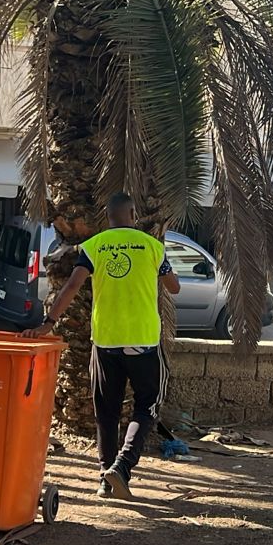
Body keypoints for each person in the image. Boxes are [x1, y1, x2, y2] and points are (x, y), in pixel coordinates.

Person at [23, 193, 179, 499]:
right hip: (143, 341)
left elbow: (72, 286)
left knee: (106, 412)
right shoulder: (152, 246)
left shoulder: (94, 246)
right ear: (133, 214)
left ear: (108, 218)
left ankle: (105, 480)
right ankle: (122, 466)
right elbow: (174, 287)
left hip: (106, 341)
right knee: (147, 405)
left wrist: (48, 323)